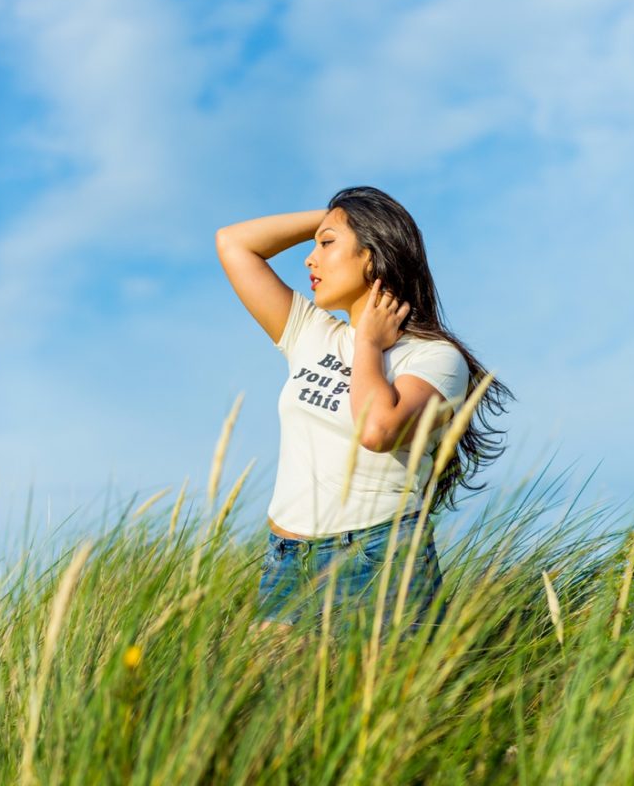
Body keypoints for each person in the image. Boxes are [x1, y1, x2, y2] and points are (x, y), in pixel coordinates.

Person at [215, 186, 513, 643]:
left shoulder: (434, 359)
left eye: (326, 244)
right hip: (287, 558)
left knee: (376, 712)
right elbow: (234, 242)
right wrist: (338, 217)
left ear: (372, 256)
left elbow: (378, 431)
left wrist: (369, 345)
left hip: (376, 557)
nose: (309, 259)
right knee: (274, 712)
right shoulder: (310, 333)